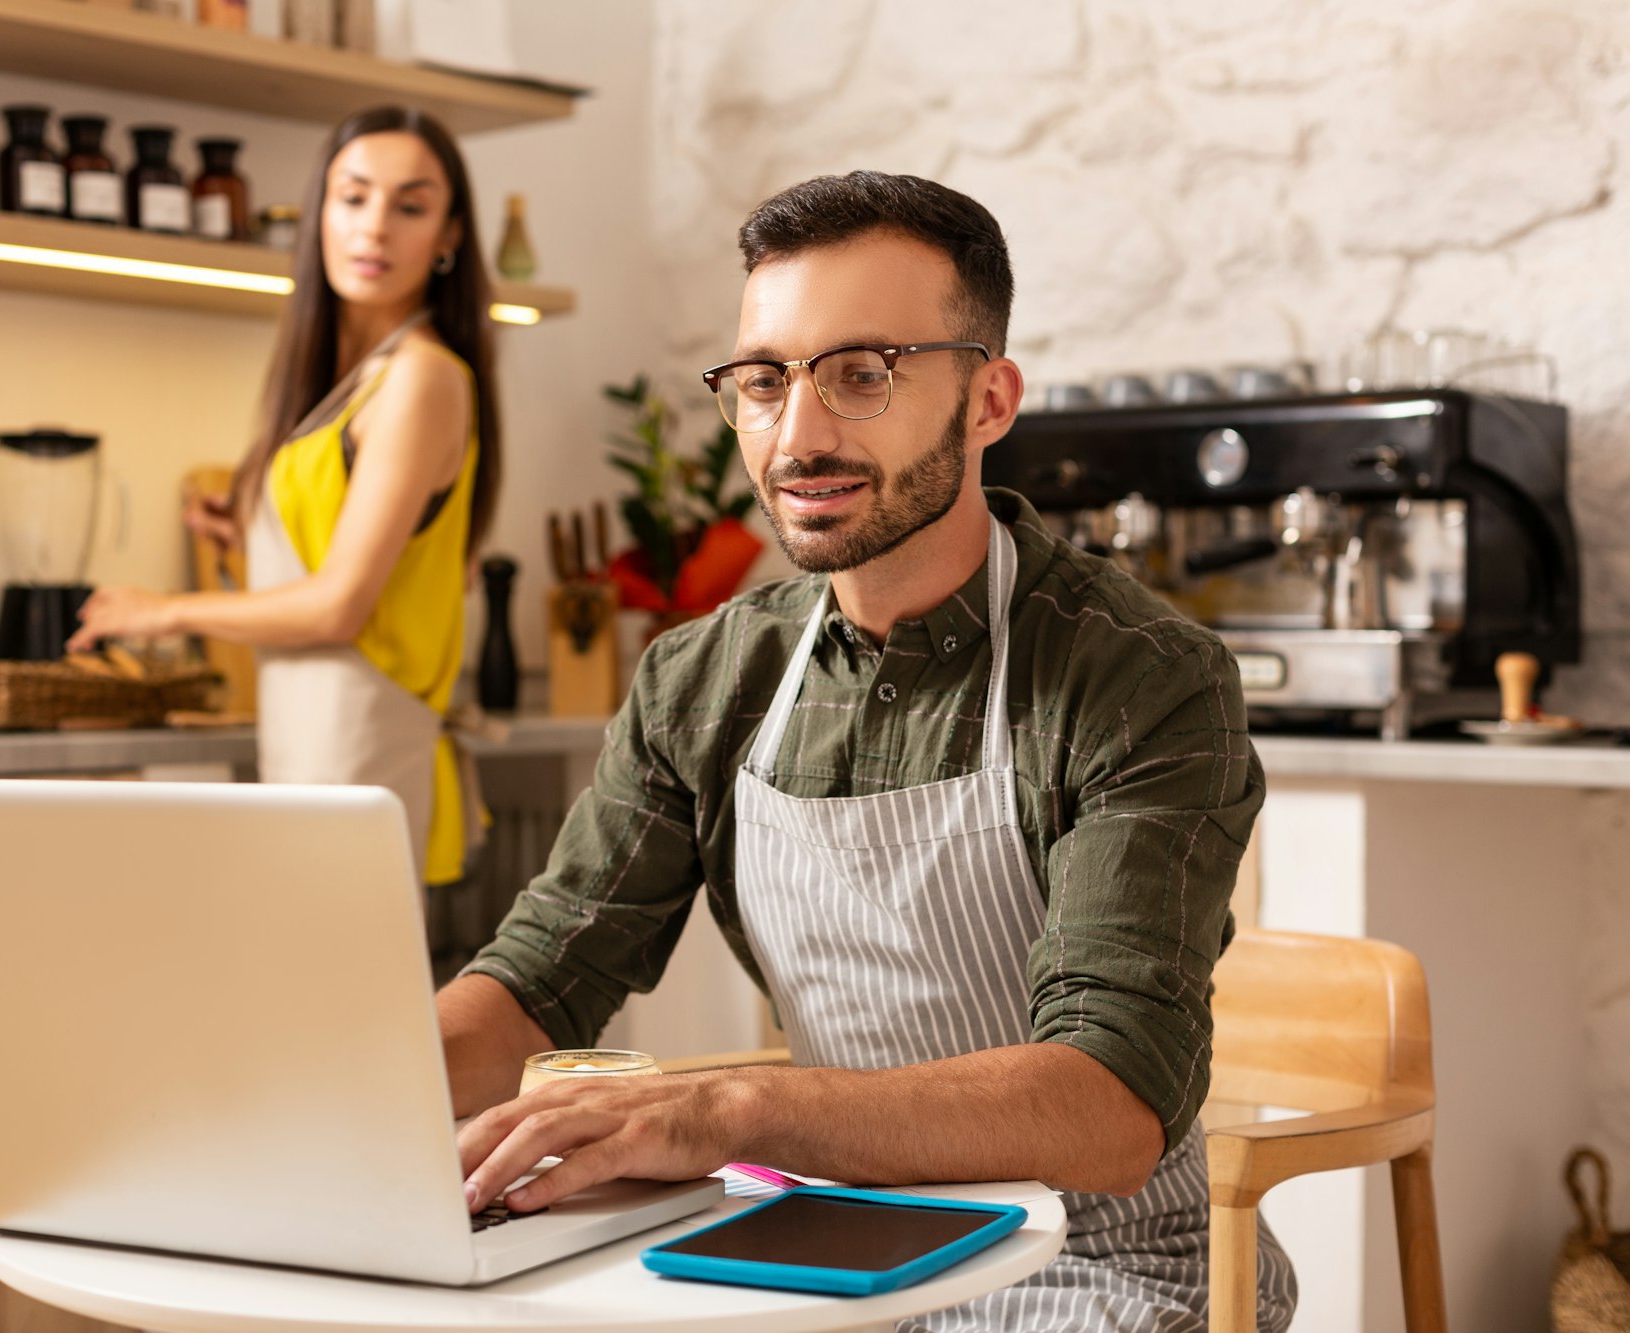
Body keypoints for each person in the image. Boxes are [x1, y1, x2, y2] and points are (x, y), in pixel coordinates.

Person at [440, 172, 1300, 1331]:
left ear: (989, 399)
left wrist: (733, 1108)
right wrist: (321, 1097)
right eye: (761, 381)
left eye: (861, 374)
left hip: (1105, 1270)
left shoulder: (1138, 676)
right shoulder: (703, 681)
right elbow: (540, 980)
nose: (796, 437)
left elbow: (1105, 1107)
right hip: (825, 1257)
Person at [70, 106, 501, 888]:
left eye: (410, 206)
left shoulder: (423, 378)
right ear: (319, 214)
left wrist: (160, 610)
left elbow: (338, 607)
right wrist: (251, 539)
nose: (374, 227)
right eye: (353, 197)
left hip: (359, 751)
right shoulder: (349, 387)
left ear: (448, 237)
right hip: (312, 746)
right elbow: (352, 557)